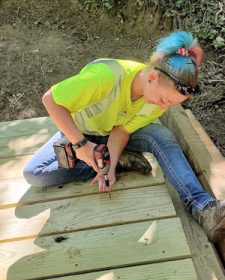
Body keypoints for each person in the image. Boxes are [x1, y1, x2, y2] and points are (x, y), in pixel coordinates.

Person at [23, 31, 225, 242]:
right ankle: (120, 160)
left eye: (171, 103)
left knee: (161, 136)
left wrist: (107, 169)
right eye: (164, 99)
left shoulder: (155, 99)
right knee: (34, 173)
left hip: (112, 132)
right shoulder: (105, 77)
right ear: (152, 77)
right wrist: (81, 145)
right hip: (80, 131)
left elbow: (121, 131)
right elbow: (51, 100)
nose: (164, 107)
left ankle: (203, 207)